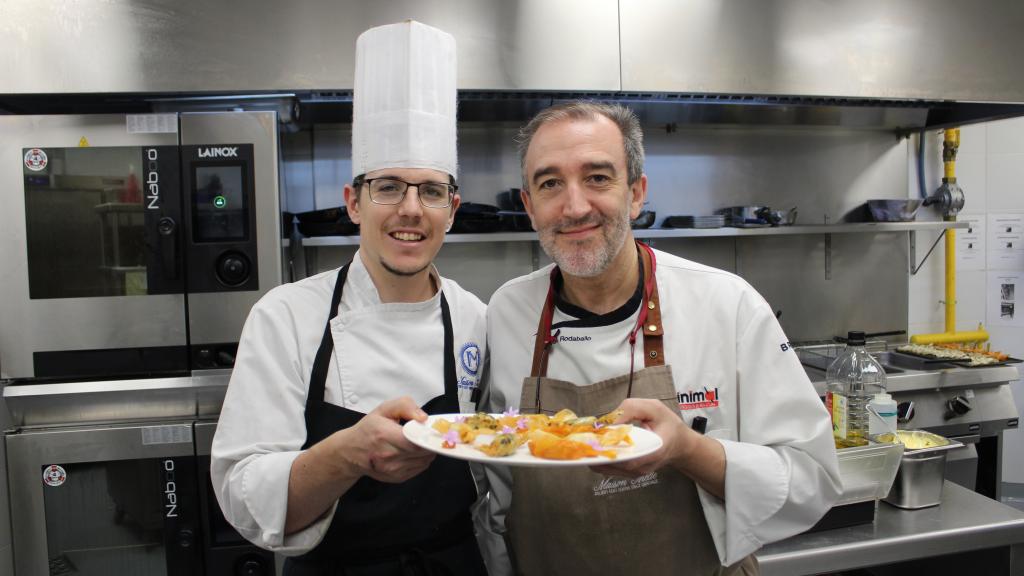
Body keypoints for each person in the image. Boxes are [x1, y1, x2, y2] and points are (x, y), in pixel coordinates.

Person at [479, 101, 842, 575]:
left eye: (598, 178)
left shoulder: (726, 304)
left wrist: (688, 451)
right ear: (529, 206)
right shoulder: (506, 312)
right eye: (550, 184)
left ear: (635, 193)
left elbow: (811, 479)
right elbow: (498, 492)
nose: (574, 206)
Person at [212, 21, 490, 575]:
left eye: (431, 191)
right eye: (388, 186)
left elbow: (494, 481)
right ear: (354, 202)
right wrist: (344, 456)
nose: (410, 210)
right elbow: (243, 494)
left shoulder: (477, 318)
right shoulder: (286, 316)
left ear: (452, 210)